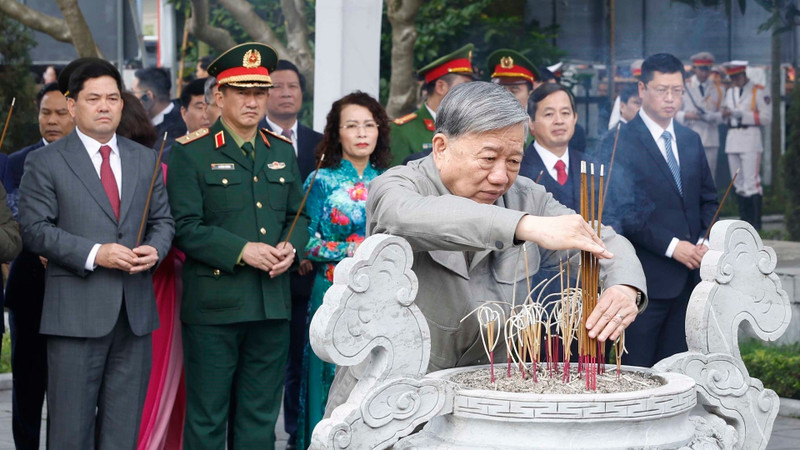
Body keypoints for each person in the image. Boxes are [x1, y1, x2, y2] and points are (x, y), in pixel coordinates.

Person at [326, 81, 647, 416]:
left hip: (482, 401)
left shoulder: (525, 195)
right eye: (489, 158)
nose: (500, 177)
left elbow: (600, 238)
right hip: (388, 399)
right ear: (440, 147)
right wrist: (525, 226)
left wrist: (625, 287)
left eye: (513, 161)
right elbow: (404, 217)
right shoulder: (397, 186)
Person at [18, 57, 175, 448]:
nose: (104, 106)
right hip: (74, 316)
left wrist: (154, 250)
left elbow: (164, 222)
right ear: (73, 106)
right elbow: (35, 230)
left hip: (134, 316)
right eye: (93, 99)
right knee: (70, 433)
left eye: (112, 98)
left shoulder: (145, 159)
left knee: (123, 434)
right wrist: (95, 253)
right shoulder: (45, 161)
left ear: (123, 104)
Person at [167, 42, 309, 449]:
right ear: (219, 96)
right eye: (242, 92)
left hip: (271, 304)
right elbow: (185, 227)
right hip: (216, 307)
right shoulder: (191, 154)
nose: (252, 101)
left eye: (259, 92)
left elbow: (299, 217)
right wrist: (242, 250)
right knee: (209, 417)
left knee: (260, 418)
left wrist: (290, 247)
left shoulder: (280, 150)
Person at [296, 91, 391, 449]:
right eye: (352, 125)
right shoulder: (319, 181)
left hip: (381, 293)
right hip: (333, 290)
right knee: (327, 375)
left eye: (369, 125)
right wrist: (353, 249)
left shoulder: (392, 181)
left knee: (375, 375)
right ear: (337, 133)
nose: (362, 132)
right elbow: (307, 243)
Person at [612, 53, 718, 367]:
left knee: (682, 370)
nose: (670, 98)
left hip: (692, 280)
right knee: (640, 369)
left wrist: (703, 241)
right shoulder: (621, 141)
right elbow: (623, 211)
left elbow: (709, 199)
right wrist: (674, 248)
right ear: (642, 89)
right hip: (647, 282)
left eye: (677, 90)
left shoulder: (690, 139)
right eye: (662, 90)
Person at [2, 82, 74, 450]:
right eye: (46, 112)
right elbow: (13, 220)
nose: (53, 120)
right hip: (31, 285)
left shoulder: (89, 160)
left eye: (61, 112)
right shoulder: (15, 162)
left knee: (72, 389)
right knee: (28, 386)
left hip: (79, 286)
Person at [255, 58, 322, 450]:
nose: (284, 93)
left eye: (291, 86)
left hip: (312, 274)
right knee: (274, 366)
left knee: (306, 358)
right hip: (266, 270)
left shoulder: (320, 143)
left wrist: (304, 247)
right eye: (275, 86)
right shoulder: (252, 139)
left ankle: (301, 433)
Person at [393, 44, 476, 165]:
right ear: (440, 86)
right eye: (463, 86)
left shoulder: (470, 127)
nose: (469, 92)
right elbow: (394, 178)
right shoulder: (403, 130)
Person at [721, 61, 770, 231]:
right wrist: (726, 115)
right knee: (738, 183)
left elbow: (765, 118)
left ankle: (756, 225)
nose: (735, 80)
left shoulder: (758, 90)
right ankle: (744, 224)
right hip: (733, 137)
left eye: (737, 77)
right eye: (732, 77)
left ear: (744, 74)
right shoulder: (729, 92)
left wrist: (742, 114)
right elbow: (725, 115)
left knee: (751, 182)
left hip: (750, 138)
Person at [677, 52, 724, 184]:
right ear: (695, 68)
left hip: (710, 138)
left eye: (707, 70)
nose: (704, 73)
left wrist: (712, 116)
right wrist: (686, 115)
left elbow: (724, 116)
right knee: (689, 177)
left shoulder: (718, 89)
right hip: (689, 136)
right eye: (701, 69)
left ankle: (707, 205)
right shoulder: (683, 87)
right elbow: (673, 113)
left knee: (709, 178)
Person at [488, 49, 540, 148]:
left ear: (530, 93)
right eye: (501, 88)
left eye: (514, 90)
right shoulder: (480, 124)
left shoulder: (540, 127)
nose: (506, 95)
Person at [132, 67, 187, 158]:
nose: (132, 98)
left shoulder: (177, 128)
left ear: (148, 96)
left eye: (134, 93)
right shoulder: (141, 122)